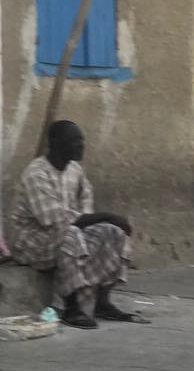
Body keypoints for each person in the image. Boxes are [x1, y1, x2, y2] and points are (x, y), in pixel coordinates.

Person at [9, 121, 137, 330]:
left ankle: (102, 302)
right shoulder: (36, 173)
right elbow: (54, 218)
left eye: (82, 140)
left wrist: (109, 222)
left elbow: (85, 208)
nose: (81, 145)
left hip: (63, 233)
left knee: (114, 232)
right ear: (55, 143)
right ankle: (71, 307)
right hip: (31, 242)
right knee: (72, 232)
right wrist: (106, 216)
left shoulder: (75, 170)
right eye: (75, 140)